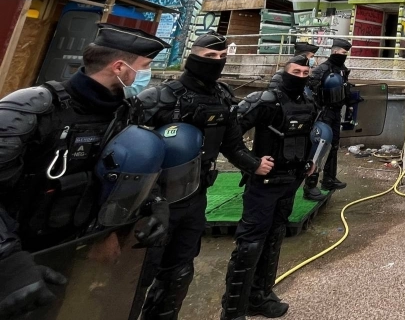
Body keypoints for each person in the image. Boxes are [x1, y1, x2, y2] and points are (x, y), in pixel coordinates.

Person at [0, 24, 170, 318]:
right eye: (145, 67)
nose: (147, 75)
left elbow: (122, 172)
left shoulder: (126, 111)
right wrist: (7, 260)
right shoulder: (30, 110)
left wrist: (153, 202)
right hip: (16, 263)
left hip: (65, 251)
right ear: (120, 67)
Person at [134, 32, 272, 320]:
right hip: (153, 202)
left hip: (195, 198)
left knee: (179, 273)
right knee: (135, 277)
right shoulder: (159, 98)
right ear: (192, 56)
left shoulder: (222, 97)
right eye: (210, 57)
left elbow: (232, 145)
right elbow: (128, 151)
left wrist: (254, 164)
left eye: (222, 57)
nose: (217, 62)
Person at [220, 56, 318, 319]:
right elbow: (228, 134)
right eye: (295, 71)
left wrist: (310, 161)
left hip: (290, 183)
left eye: (305, 72)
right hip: (263, 186)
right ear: (284, 73)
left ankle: (259, 296)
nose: (300, 75)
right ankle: (233, 310)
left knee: (274, 240)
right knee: (250, 245)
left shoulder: (308, 102)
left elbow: (306, 135)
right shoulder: (263, 100)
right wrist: (251, 163)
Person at [302, 38, 352, 200]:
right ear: (335, 51)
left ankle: (329, 179)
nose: (345, 55)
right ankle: (310, 185)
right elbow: (310, 88)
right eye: (343, 53)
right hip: (323, 112)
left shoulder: (342, 69)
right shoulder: (323, 68)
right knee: (320, 146)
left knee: (334, 145)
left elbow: (344, 88)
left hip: (336, 111)